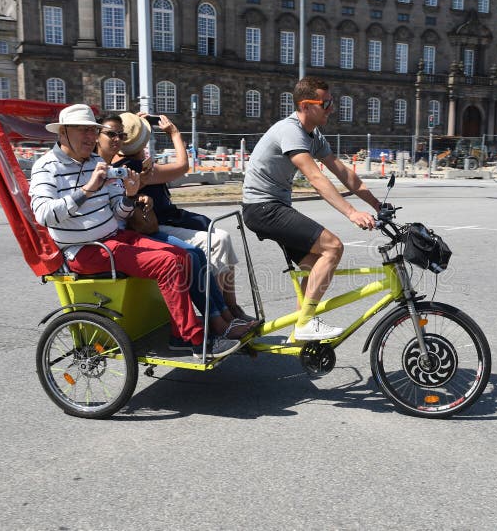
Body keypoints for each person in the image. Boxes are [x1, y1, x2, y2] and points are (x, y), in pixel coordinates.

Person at [28, 103, 238, 359]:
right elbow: (43, 214)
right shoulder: (46, 167)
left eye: (92, 131)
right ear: (62, 133)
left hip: (114, 238)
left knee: (184, 255)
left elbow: (119, 211)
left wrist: (129, 195)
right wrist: (86, 191)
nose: (89, 137)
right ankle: (190, 339)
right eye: (82, 130)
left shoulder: (96, 161)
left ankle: (185, 329)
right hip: (86, 250)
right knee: (169, 263)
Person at [241, 76, 382, 341]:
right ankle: (306, 323)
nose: (332, 108)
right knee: (333, 247)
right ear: (306, 106)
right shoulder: (290, 131)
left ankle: (301, 327)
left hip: (274, 206)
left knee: (317, 262)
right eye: (326, 103)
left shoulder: (313, 135)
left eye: (332, 102)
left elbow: (344, 173)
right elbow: (316, 178)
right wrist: (352, 213)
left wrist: (378, 205)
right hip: (262, 207)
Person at [102, 112, 256, 339]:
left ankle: (227, 309)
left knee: (209, 243)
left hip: (156, 221)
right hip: (154, 225)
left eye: (121, 134)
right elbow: (183, 166)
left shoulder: (126, 164)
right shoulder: (136, 167)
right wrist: (174, 133)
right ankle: (222, 313)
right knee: (209, 245)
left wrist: (136, 128)